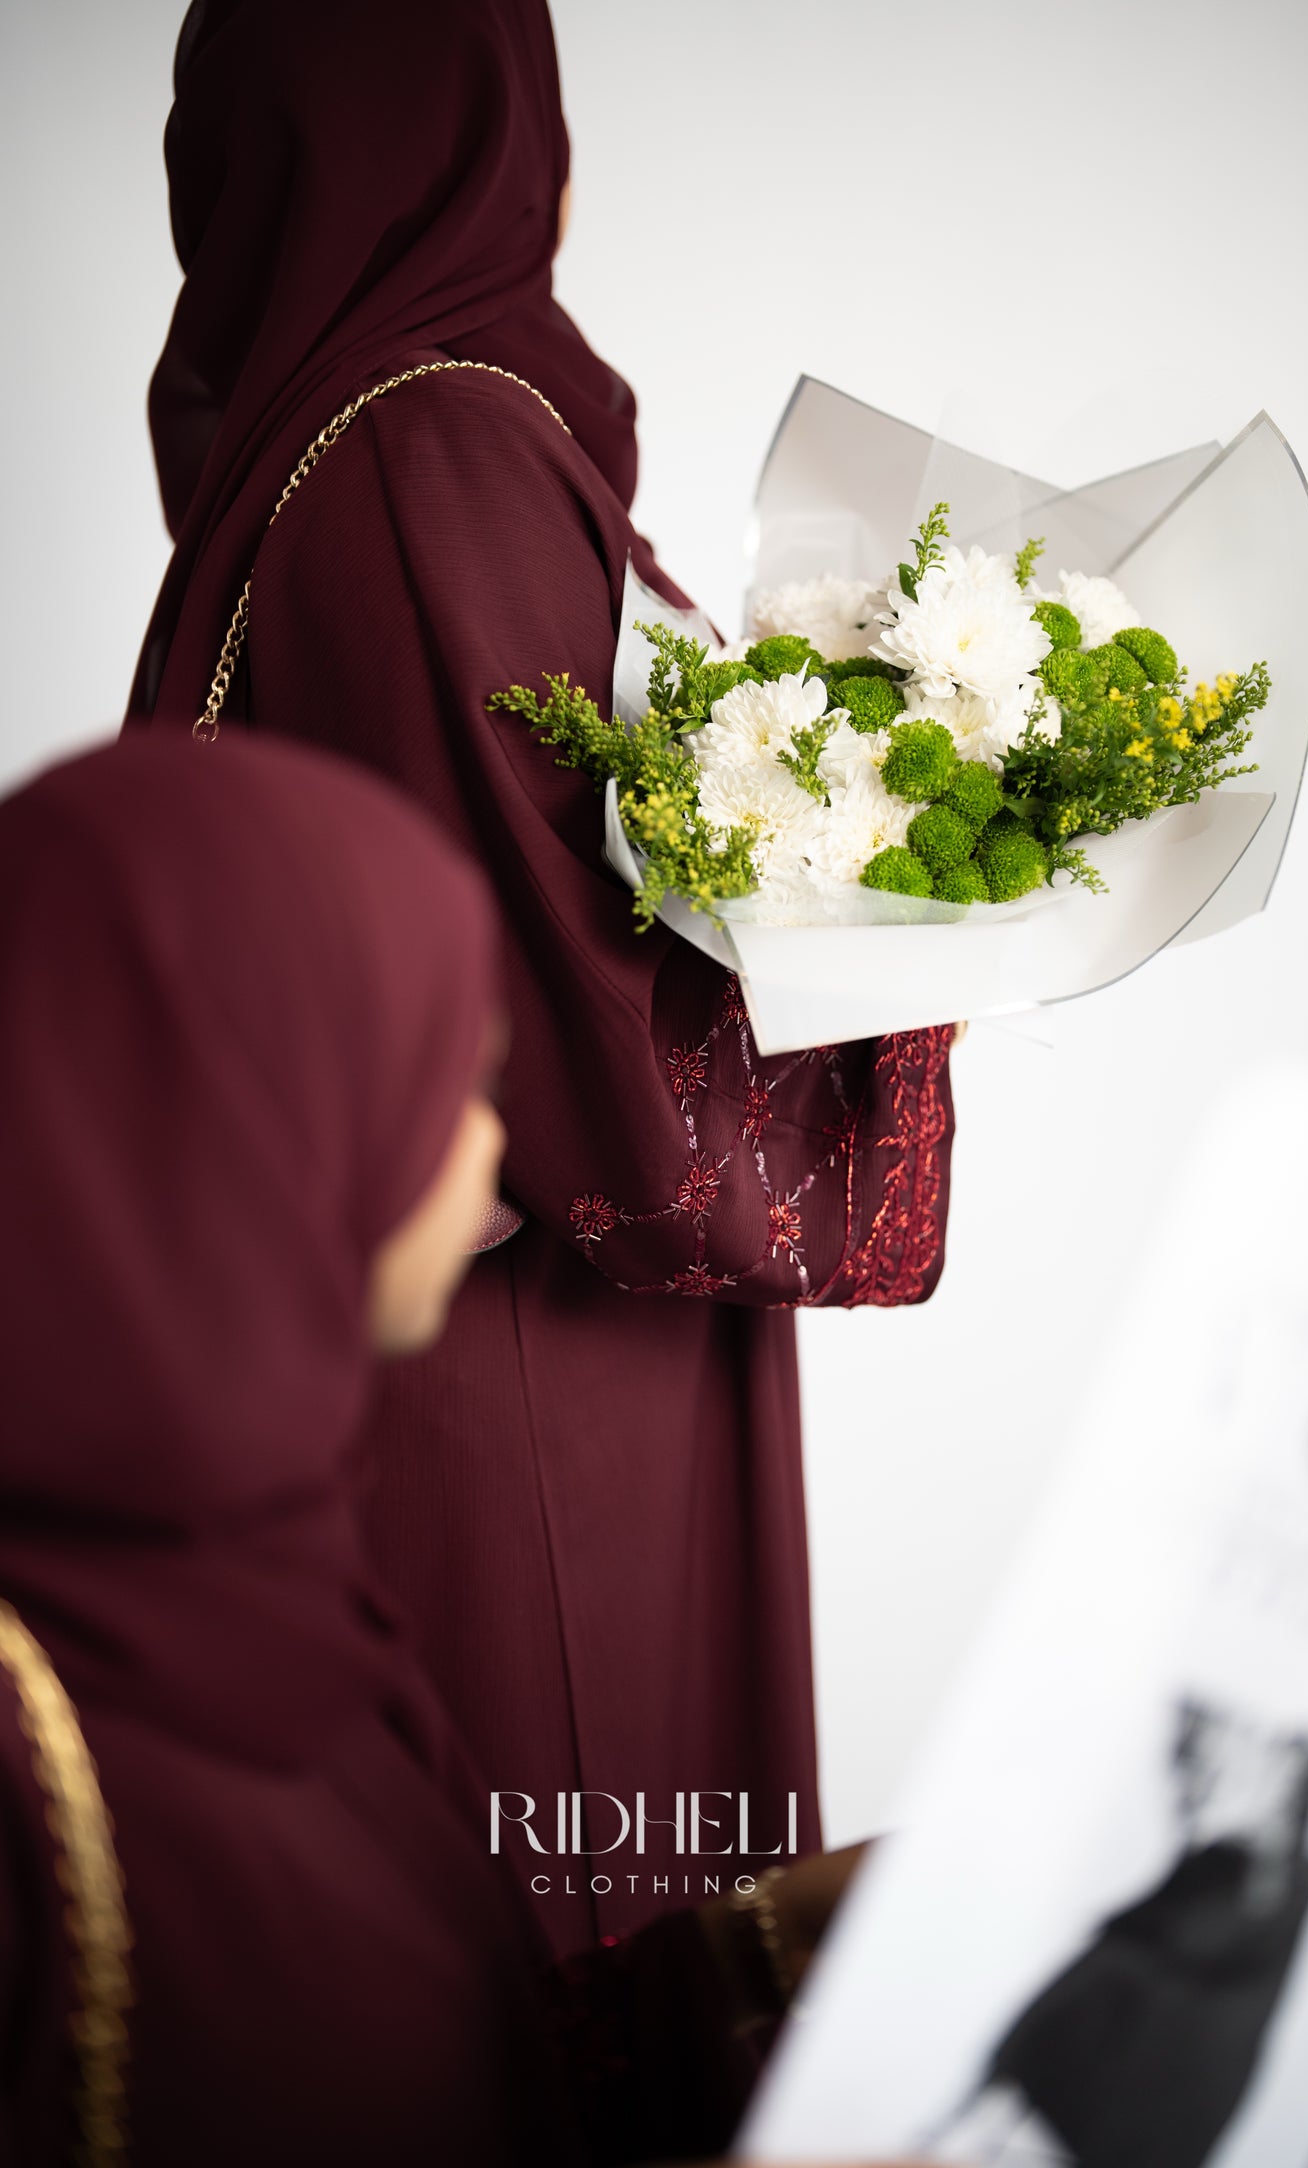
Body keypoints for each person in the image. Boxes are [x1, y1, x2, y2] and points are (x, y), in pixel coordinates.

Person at [124, 0, 956, 1957]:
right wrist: (908, 901)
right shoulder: (433, 453)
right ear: (498, 135)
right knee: (575, 1967)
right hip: (543, 1413)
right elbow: (607, 1071)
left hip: (453, 1378)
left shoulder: (310, 472)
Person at [0, 731, 879, 2167]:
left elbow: (420, 2082)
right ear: (251, 1131)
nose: (488, 1149)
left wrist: (769, 1947)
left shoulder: (263, 1603)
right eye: (443, 1082)